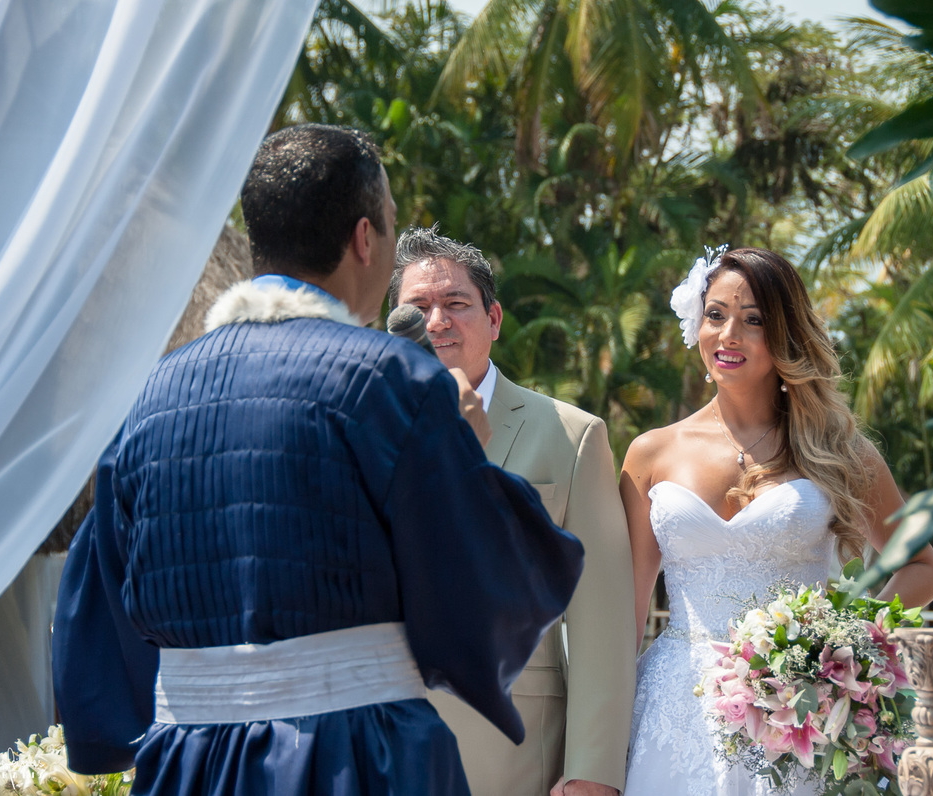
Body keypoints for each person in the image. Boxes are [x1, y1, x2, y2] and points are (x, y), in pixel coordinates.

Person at [51, 124, 585, 796]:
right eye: (390, 221)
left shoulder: (150, 396)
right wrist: (467, 450)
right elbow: (483, 589)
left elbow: (96, 603)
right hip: (357, 756)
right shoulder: (390, 380)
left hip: (190, 763)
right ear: (365, 238)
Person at [620, 246, 933, 795]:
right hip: (671, 712)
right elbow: (625, 614)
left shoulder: (840, 450)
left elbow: (923, 568)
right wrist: (592, 746)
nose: (728, 335)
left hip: (798, 715)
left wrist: (842, 643)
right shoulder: (650, 453)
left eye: (753, 321)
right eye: (716, 315)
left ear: (785, 334)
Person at [389, 227, 636, 796]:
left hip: (517, 757)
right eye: (418, 308)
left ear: (494, 319)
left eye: (456, 303)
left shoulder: (571, 437)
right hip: (383, 749)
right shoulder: (356, 428)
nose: (437, 322)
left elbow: (602, 621)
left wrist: (593, 772)